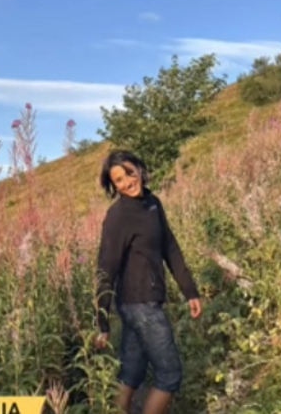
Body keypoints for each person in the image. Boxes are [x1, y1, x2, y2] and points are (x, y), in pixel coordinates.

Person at [94, 150, 203, 414]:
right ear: (113, 185)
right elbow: (106, 269)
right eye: (119, 180)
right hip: (140, 305)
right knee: (170, 374)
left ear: (139, 169)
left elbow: (170, 247)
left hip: (142, 303)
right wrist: (102, 322)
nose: (127, 182)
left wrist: (190, 291)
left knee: (131, 373)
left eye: (129, 173)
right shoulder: (118, 216)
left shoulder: (153, 203)